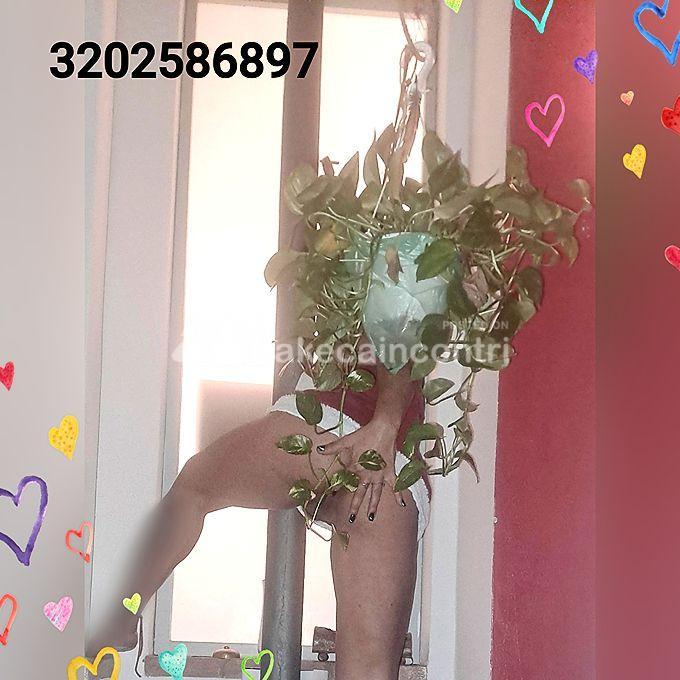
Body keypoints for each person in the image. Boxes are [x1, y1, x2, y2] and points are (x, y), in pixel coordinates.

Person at [87, 349, 431, 680]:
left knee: (194, 489)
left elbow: (401, 330)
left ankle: (122, 616)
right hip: (391, 477)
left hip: (340, 433)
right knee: (369, 673)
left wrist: (384, 425)